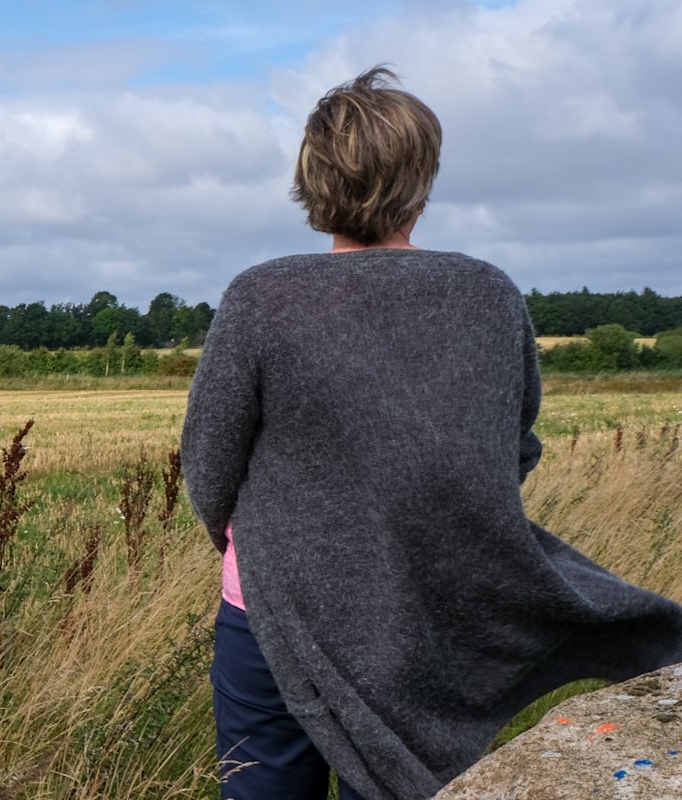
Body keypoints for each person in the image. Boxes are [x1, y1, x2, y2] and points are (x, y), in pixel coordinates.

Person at [181, 66, 682, 800]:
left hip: (270, 612)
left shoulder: (262, 296)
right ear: (423, 179)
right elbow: (511, 447)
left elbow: (209, 465)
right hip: (426, 612)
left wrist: (269, 549)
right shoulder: (486, 293)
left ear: (311, 180)